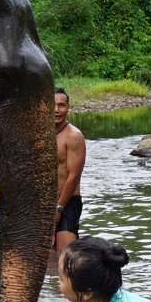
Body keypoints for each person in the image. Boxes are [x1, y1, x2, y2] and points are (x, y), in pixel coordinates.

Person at [52, 87, 88, 260]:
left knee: (64, 258)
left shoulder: (74, 136)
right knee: (47, 259)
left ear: (68, 107)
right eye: (52, 105)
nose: (56, 110)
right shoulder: (41, 134)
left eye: (61, 105)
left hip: (67, 204)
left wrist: (59, 208)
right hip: (45, 204)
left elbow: (74, 176)